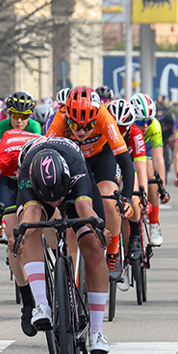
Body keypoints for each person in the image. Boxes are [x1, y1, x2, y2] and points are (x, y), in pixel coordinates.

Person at [14, 137, 112, 354]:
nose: (56, 203)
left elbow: (83, 206)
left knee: (93, 245)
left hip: (77, 192)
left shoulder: (76, 169)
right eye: (52, 200)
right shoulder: (28, 173)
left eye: (58, 198)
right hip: (37, 189)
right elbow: (29, 216)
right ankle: (41, 304)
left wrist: (98, 228)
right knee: (28, 231)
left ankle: (97, 332)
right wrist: (19, 235)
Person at [46, 86, 135, 281]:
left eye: (88, 127)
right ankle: (74, 274)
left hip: (101, 158)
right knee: (69, 212)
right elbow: (45, 155)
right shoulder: (59, 119)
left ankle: (112, 254)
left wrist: (127, 197)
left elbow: (126, 162)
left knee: (109, 199)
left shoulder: (105, 117)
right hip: (73, 159)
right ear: (68, 117)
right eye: (76, 126)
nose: (81, 132)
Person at [0, 128, 41, 335]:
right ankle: (28, 303)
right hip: (8, 181)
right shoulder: (2, 161)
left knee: (53, 222)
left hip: (41, 172)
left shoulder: (48, 153)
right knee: (14, 238)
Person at [106, 99, 149, 278]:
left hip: (127, 166)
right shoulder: (103, 132)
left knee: (134, 198)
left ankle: (135, 236)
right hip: (108, 167)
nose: (119, 131)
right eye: (116, 126)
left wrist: (143, 192)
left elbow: (140, 167)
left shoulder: (136, 134)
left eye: (123, 127)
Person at [131, 93, 174, 246]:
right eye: (141, 121)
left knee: (150, 170)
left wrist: (161, 187)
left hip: (145, 150)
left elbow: (158, 159)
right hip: (127, 151)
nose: (145, 126)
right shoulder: (125, 124)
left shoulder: (154, 126)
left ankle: (154, 223)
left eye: (148, 121)